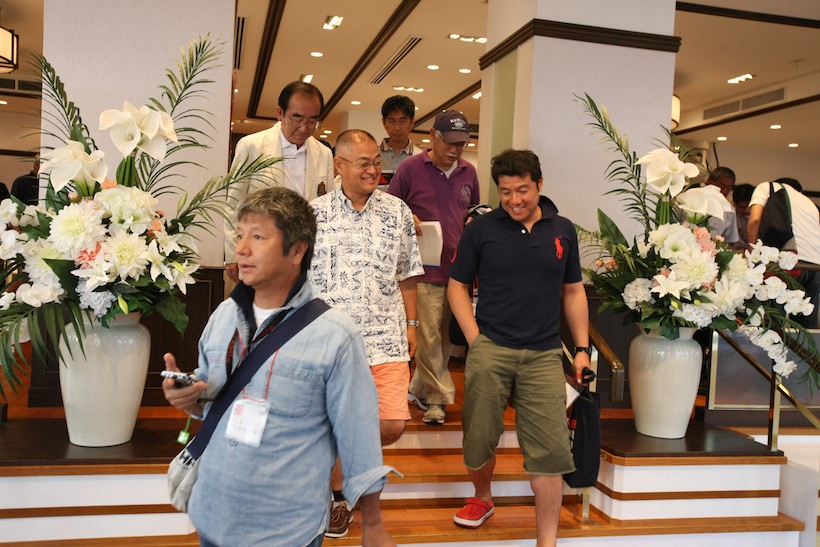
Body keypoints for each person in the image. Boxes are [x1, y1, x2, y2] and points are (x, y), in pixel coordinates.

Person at [163, 187, 396, 547]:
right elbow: (209, 395)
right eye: (241, 235)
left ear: (297, 250)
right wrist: (188, 395)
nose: (242, 248)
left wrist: (374, 524)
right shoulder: (224, 316)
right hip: (212, 511)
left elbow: (358, 437)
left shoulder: (335, 336)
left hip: (284, 527)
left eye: (258, 237)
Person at [448, 149, 589, 547]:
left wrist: (581, 348)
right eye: (506, 191)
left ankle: (547, 541)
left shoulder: (562, 229)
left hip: (544, 353)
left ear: (539, 184)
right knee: (478, 438)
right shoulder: (481, 229)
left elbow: (573, 290)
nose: (514, 200)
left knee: (551, 451)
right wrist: (475, 339)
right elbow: (457, 285)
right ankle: (482, 496)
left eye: (523, 190)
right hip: (492, 347)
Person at [309, 129, 424, 538]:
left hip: (385, 337)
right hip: (330, 343)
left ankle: (338, 472)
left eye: (377, 161)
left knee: (391, 424)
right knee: (330, 420)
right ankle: (339, 497)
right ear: (339, 166)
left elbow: (408, 274)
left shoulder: (397, 211)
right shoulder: (314, 214)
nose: (374, 170)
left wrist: (412, 325)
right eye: (363, 163)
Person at [387, 109, 479, 425]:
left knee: (444, 338)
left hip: (458, 271)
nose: (455, 150)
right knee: (427, 337)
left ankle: (417, 388)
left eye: (461, 144)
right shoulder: (409, 168)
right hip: (421, 270)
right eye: (449, 142)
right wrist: (407, 217)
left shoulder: (469, 172)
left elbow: (473, 211)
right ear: (432, 136)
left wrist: (473, 221)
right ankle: (439, 398)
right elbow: (388, 210)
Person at [224, 81, 335, 285]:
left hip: (305, 258)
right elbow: (233, 204)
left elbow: (328, 209)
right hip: (259, 254)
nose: (304, 128)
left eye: (312, 121)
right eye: (297, 118)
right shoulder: (252, 146)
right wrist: (233, 254)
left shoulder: (324, 153)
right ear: (280, 113)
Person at [747, 177, 820, 328]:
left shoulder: (767, 187)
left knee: (773, 322)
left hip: (788, 261)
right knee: (805, 325)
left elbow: (754, 221)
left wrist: (753, 255)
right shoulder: (808, 202)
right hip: (815, 266)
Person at [378, 95, 422, 187]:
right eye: (392, 121)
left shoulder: (421, 158)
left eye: (402, 121)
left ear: (412, 122)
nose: (397, 127)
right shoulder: (373, 156)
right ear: (384, 123)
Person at [705, 167, 740, 246]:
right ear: (709, 181)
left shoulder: (729, 209)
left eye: (728, 188)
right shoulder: (693, 196)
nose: (724, 191)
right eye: (721, 186)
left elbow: (730, 241)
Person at [732, 183, 755, 248]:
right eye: (740, 207)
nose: (744, 210)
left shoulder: (759, 216)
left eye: (746, 206)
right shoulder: (734, 215)